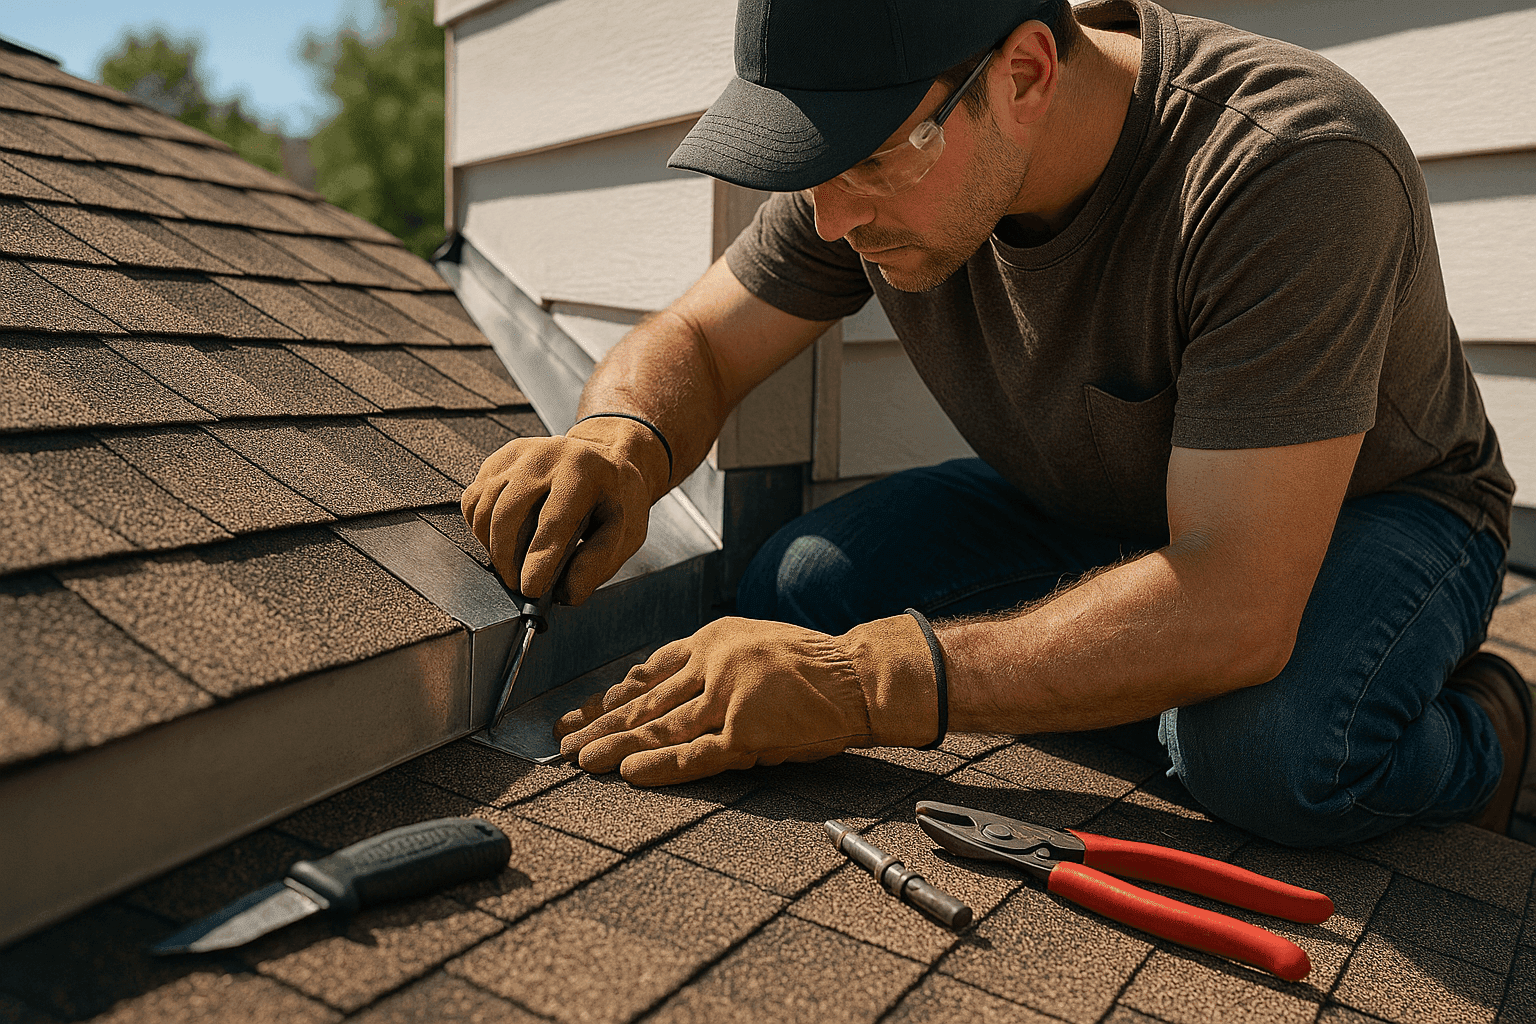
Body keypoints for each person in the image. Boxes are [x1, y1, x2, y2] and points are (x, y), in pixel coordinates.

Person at [463, 0, 1528, 846]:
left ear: (1024, 72)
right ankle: (1133, 666)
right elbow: (697, 337)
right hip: (1115, 509)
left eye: (872, 164)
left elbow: (1240, 599)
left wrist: (865, 686)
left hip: (1383, 517)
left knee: (1262, 751)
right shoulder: (877, 142)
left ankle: (1496, 734)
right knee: (802, 587)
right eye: (814, 170)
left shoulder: (1290, 163)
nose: (834, 221)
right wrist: (619, 438)